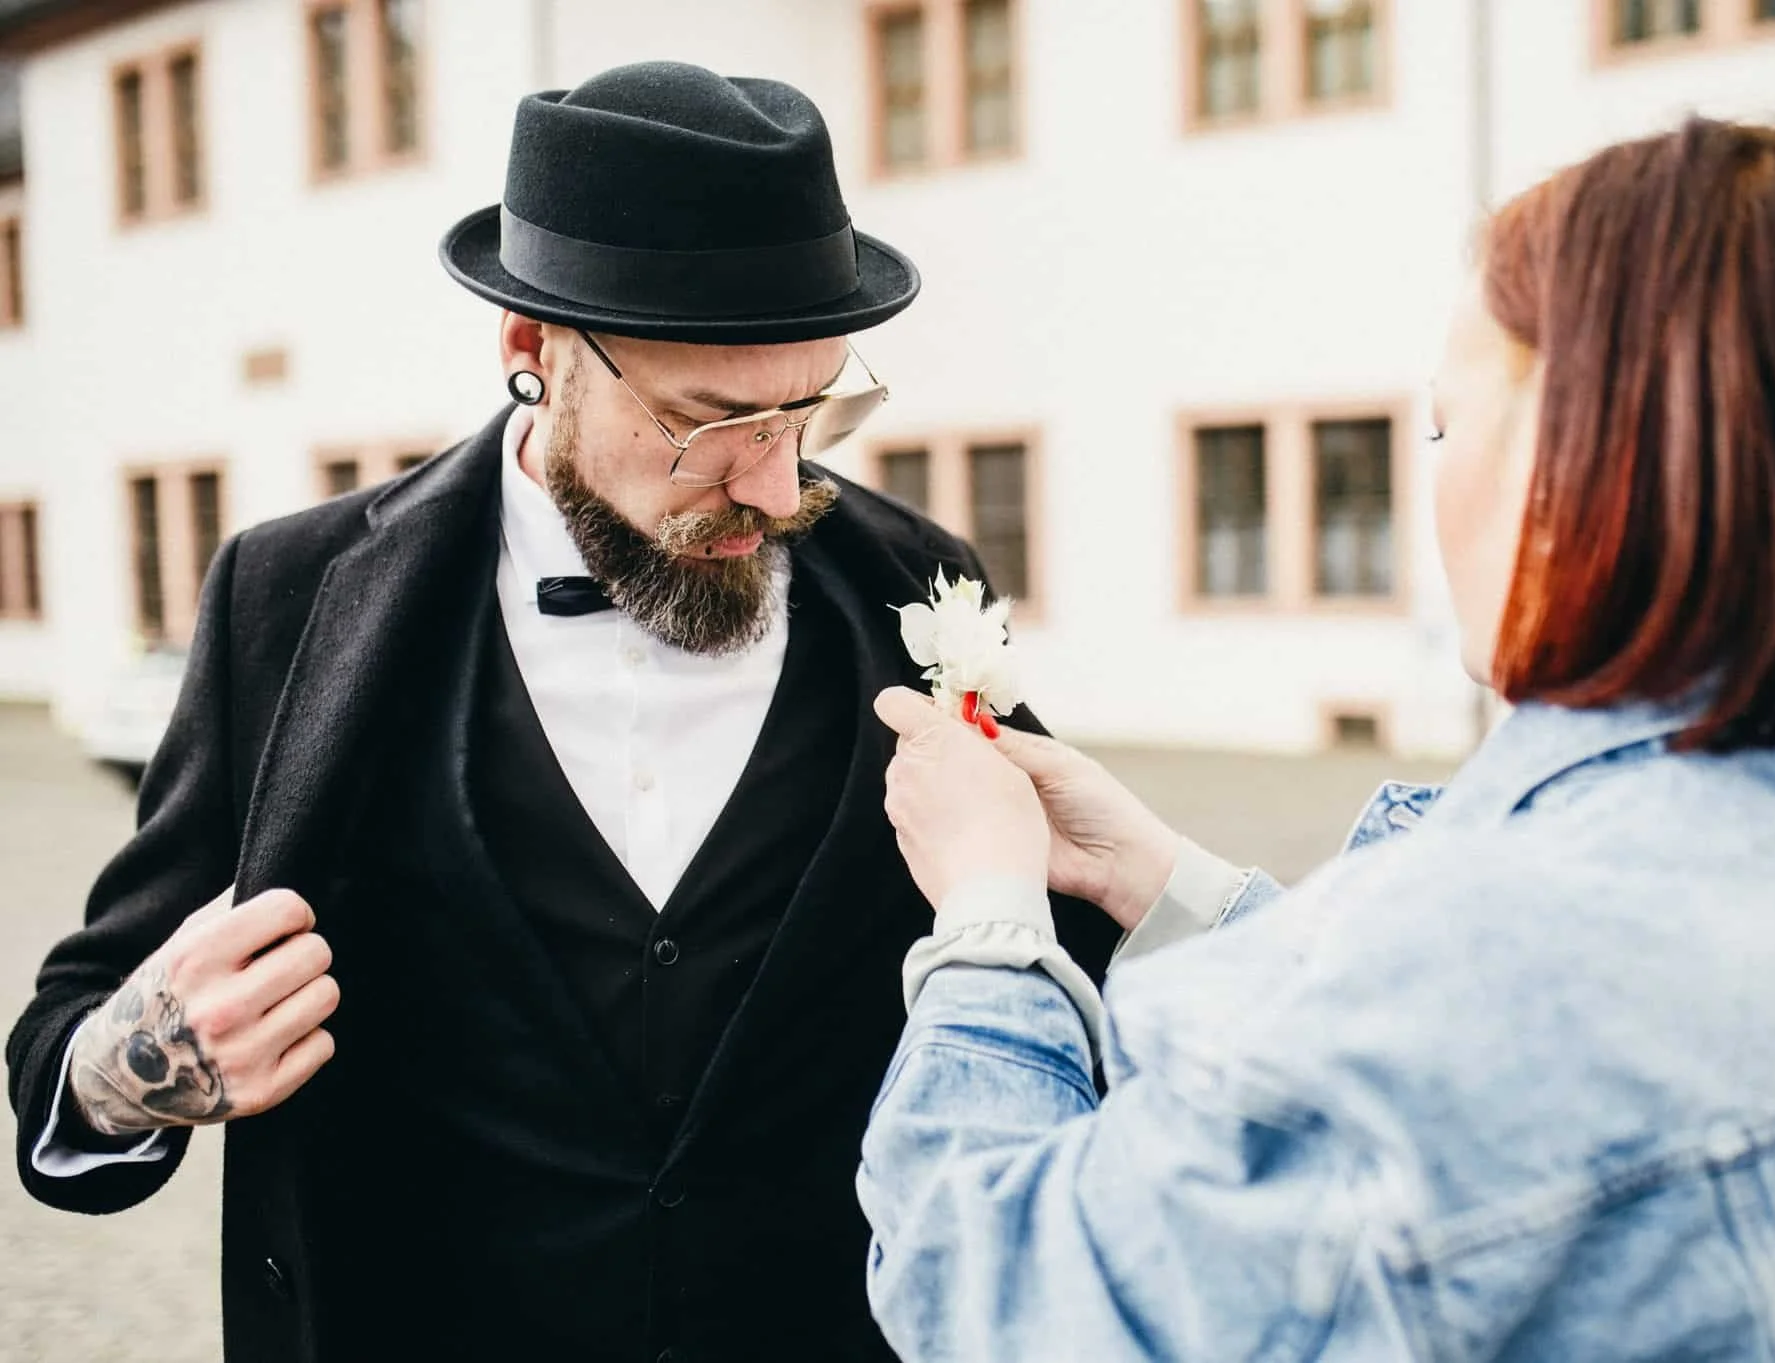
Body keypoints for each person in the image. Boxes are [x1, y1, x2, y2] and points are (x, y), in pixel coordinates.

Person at [858, 118, 1775, 1361]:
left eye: (1440, 425)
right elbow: (1497, 1123)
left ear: (1577, 452)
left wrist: (989, 918)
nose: (1431, 481)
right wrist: (1166, 882)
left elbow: (995, 1298)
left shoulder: (1495, 967)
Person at [5, 62, 1116, 1363]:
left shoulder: (919, 581)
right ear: (533, 353)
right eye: (712, 422)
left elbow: (1065, 961)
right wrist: (123, 1068)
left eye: (808, 409)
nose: (772, 483)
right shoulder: (288, 592)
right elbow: (77, 1032)